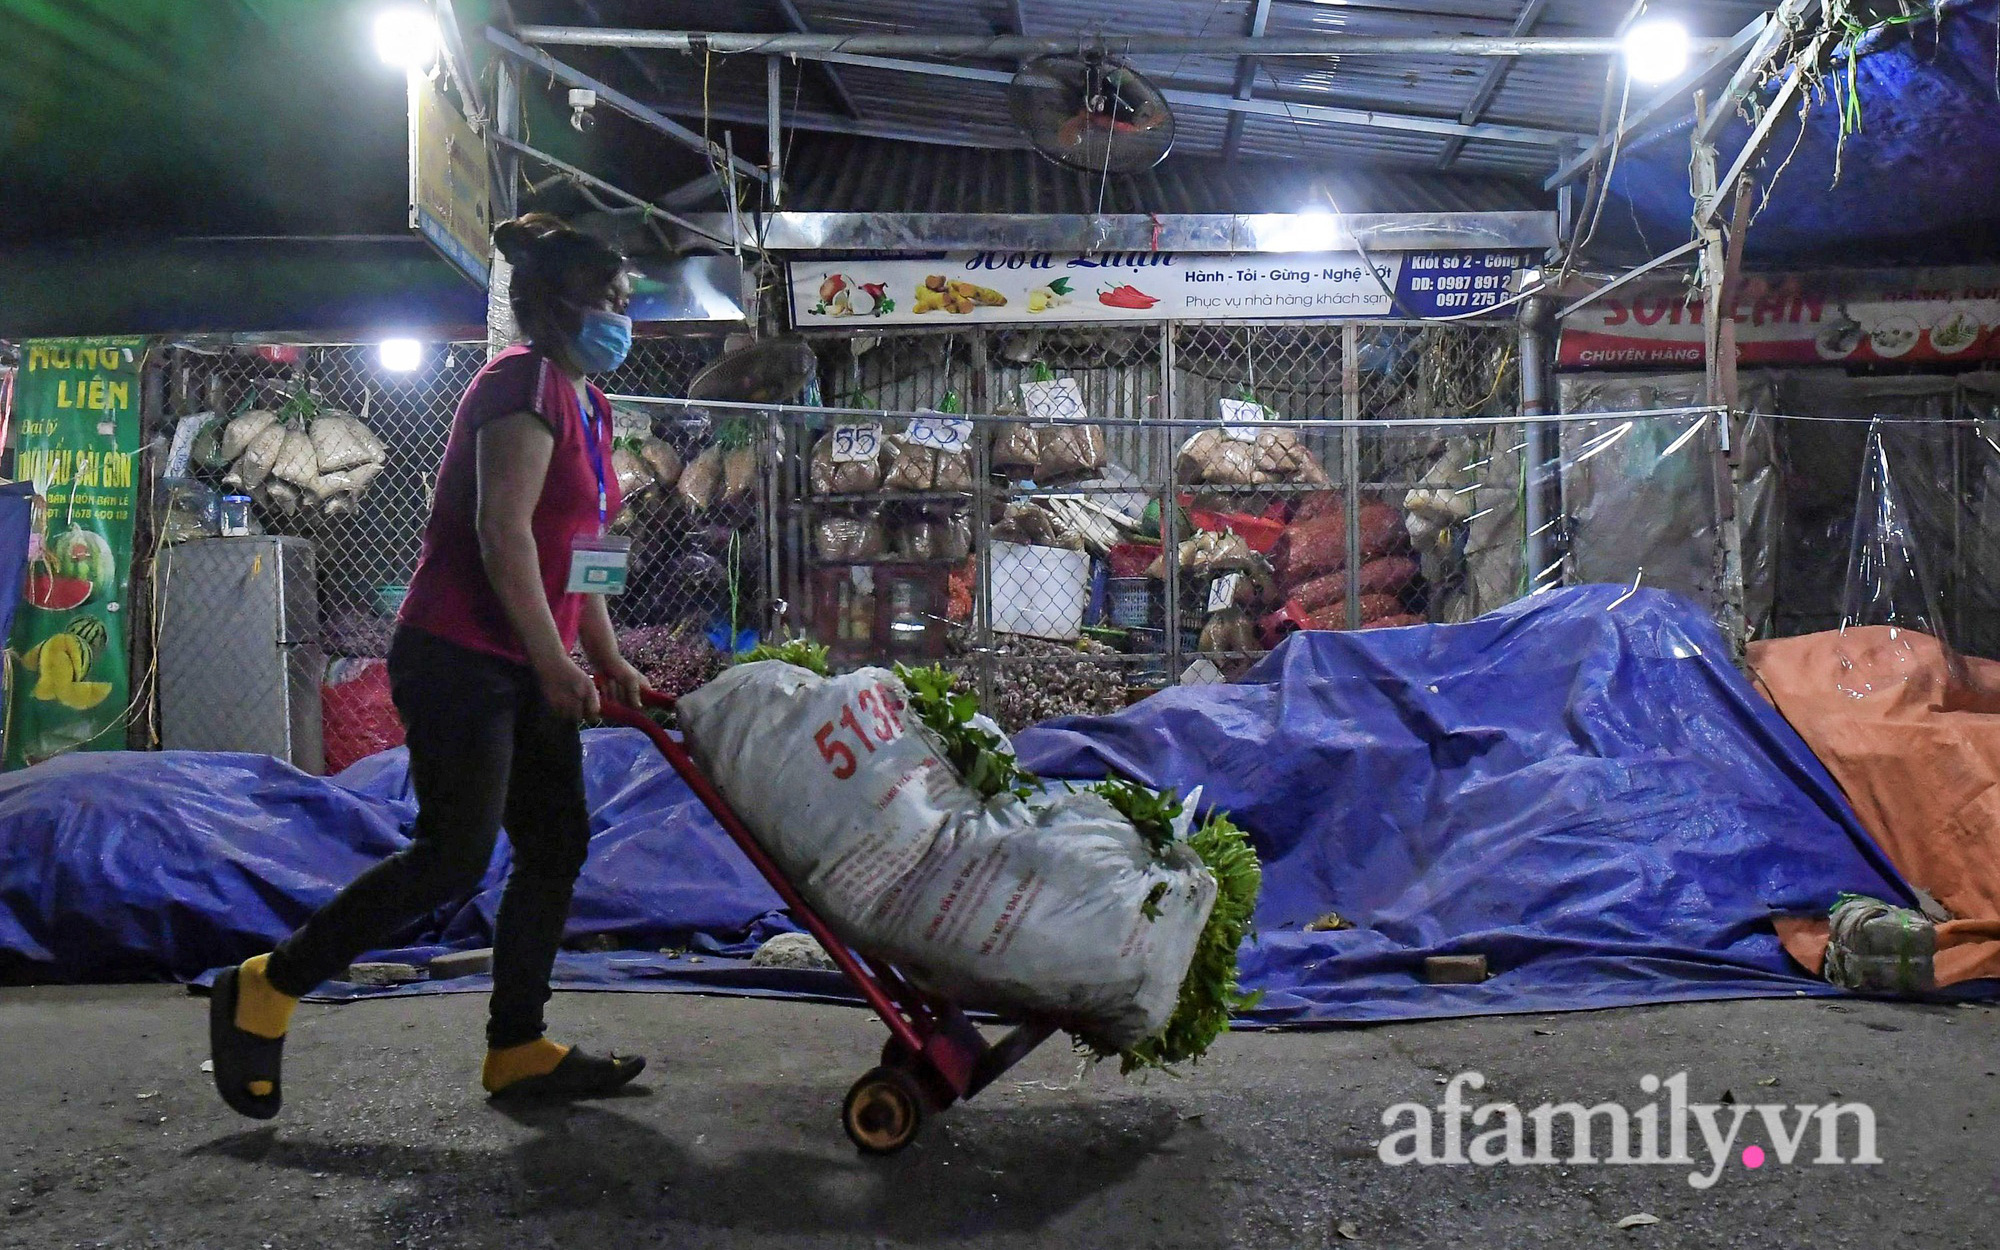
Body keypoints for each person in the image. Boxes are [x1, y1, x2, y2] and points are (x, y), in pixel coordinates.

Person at [210, 214, 653, 1117]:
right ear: (563, 304)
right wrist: (549, 658)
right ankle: (268, 984)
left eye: (626, 304)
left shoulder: (589, 403)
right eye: (610, 301)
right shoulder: (520, 382)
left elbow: (583, 542)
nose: (623, 318)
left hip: (525, 659)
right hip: (461, 656)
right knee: (455, 854)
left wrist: (602, 656)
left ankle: (519, 1046)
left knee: (556, 841)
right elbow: (503, 532)